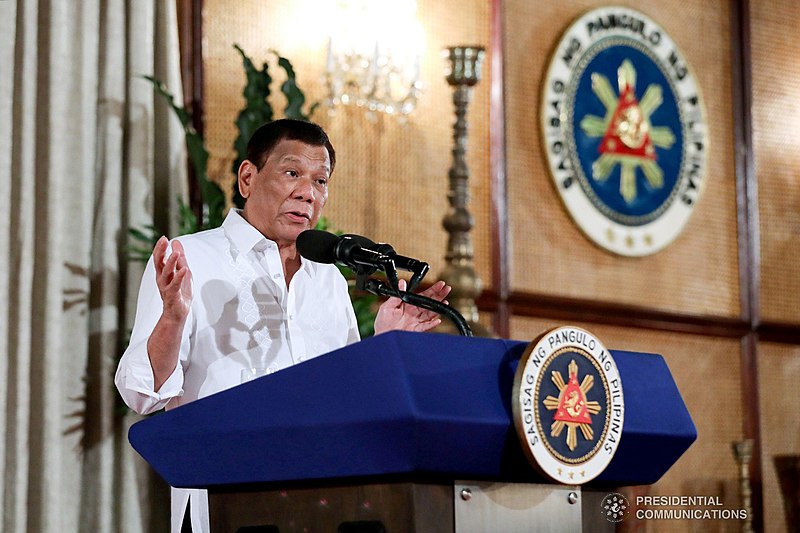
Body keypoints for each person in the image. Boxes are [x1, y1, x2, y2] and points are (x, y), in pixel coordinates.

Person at [115, 119, 450, 533]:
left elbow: (345, 401)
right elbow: (142, 394)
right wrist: (173, 317)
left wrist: (385, 343)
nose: (307, 192)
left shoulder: (328, 278)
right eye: (292, 173)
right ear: (247, 178)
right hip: (225, 499)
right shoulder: (191, 259)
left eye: (320, 181)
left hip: (322, 502)